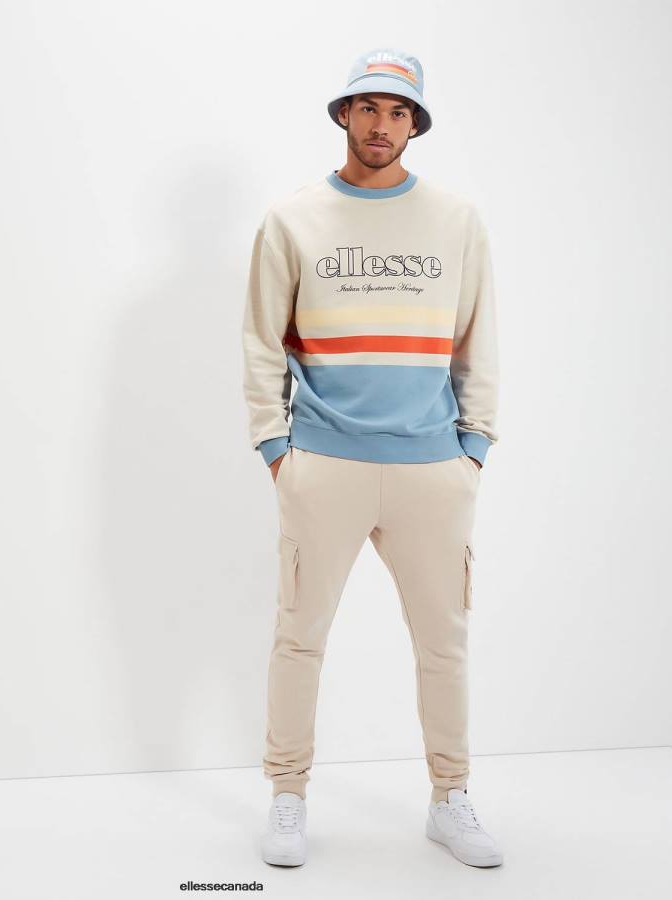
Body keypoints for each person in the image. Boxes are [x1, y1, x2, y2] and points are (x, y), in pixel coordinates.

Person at [241, 47, 504, 868]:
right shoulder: (293, 220)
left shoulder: (456, 221)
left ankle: (450, 797)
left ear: (414, 124)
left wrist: (474, 448)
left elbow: (479, 337)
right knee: (299, 637)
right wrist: (277, 448)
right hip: (324, 464)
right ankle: (287, 796)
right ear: (344, 115)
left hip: (434, 467)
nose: (381, 124)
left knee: (443, 643)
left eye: (397, 111)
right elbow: (261, 341)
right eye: (368, 107)